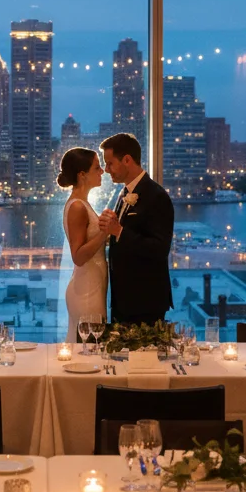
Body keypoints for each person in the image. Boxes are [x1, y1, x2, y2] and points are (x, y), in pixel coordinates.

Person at [97, 132, 174, 326]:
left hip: (145, 302)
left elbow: (160, 248)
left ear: (127, 160)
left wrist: (119, 231)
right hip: (123, 301)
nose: (107, 170)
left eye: (110, 163)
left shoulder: (156, 196)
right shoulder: (124, 193)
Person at [58, 147, 109, 343]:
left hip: (92, 283)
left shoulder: (82, 203)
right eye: (97, 168)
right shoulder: (78, 206)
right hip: (87, 289)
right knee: (89, 349)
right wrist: (105, 232)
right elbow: (78, 256)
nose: (102, 171)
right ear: (82, 175)